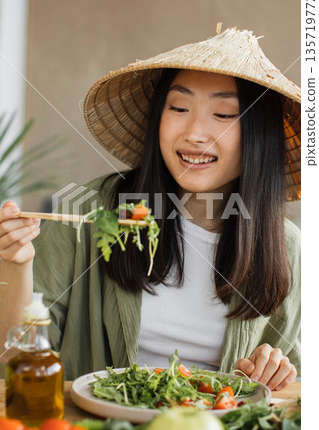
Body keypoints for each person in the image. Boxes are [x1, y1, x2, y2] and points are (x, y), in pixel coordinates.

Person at [0, 26, 301, 390]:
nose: (195, 133)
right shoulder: (89, 213)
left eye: (223, 115)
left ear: (259, 136)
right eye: (178, 107)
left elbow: (291, 395)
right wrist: (16, 265)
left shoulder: (288, 249)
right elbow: (12, 367)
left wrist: (276, 371)